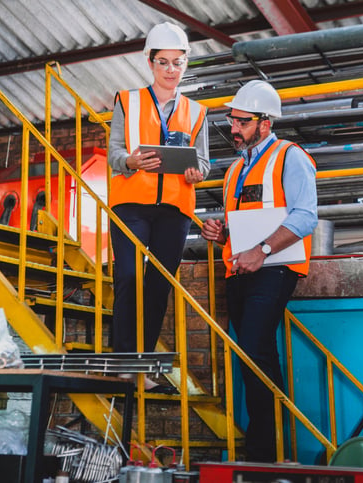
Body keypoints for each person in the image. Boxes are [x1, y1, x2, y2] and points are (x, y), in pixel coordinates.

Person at [200, 80, 318, 462]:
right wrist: (222, 235)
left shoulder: (290, 157)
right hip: (241, 272)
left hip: (275, 268)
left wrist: (263, 250)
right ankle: (269, 450)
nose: (234, 129)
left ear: (265, 124)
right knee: (255, 354)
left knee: (253, 350)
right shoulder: (235, 170)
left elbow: (305, 216)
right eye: (233, 121)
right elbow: (246, 223)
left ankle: (263, 450)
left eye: (243, 122)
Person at [107, 22, 210, 394]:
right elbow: (114, 154)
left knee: (158, 286)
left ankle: (142, 368)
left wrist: (198, 173)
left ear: (185, 65)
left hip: (175, 209)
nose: (171, 70)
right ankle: (122, 363)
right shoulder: (128, 101)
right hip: (131, 204)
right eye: (163, 62)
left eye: (178, 62)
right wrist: (132, 162)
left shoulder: (197, 112)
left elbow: (205, 162)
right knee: (130, 277)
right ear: (150, 63)